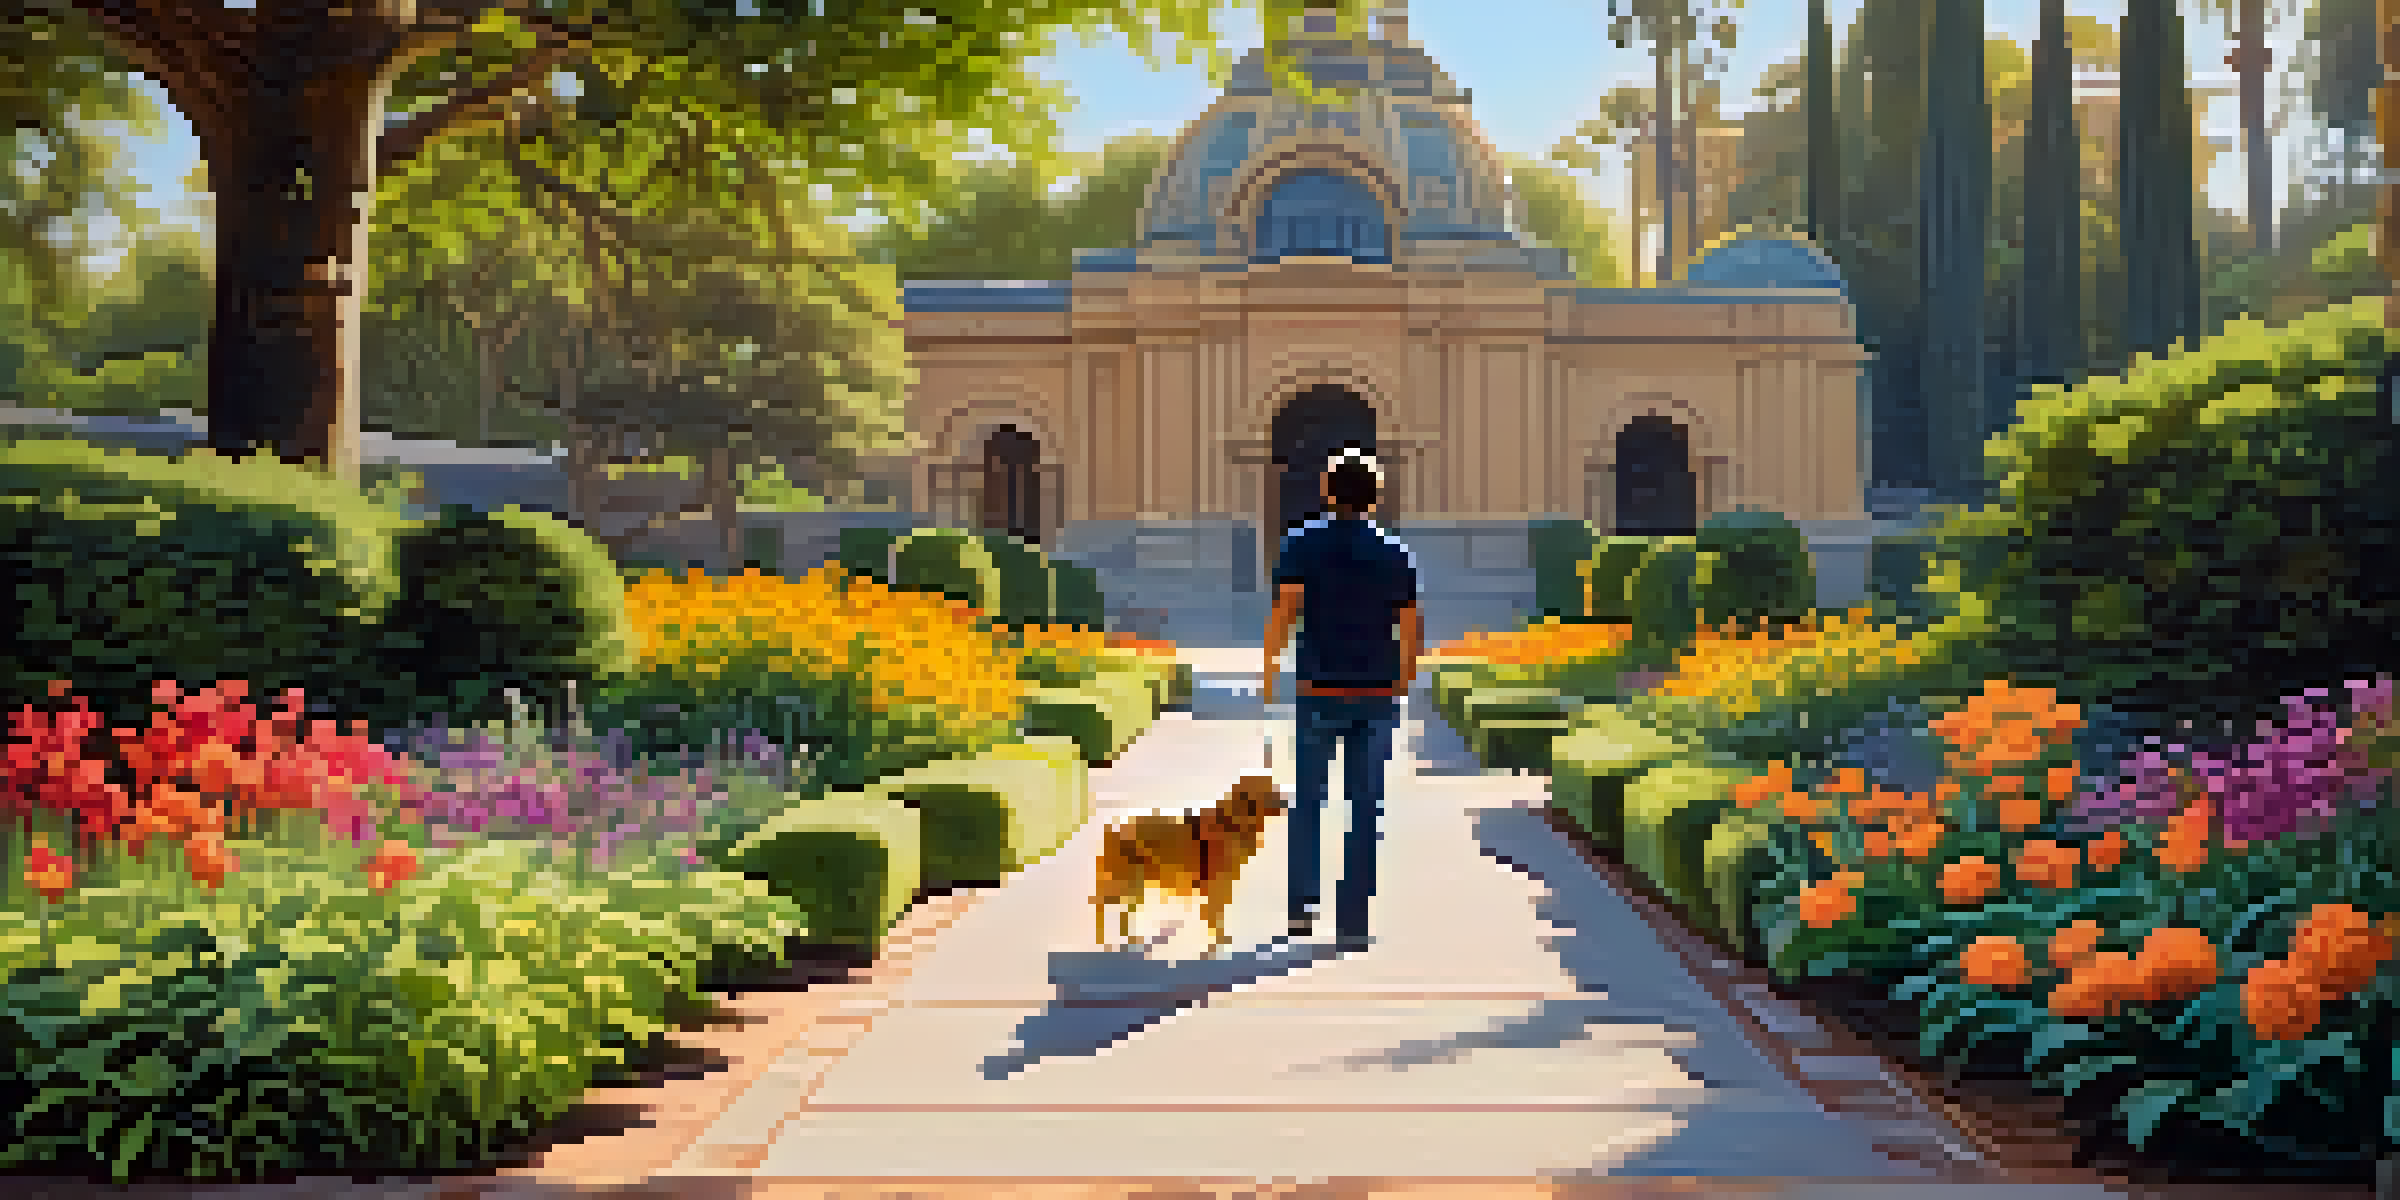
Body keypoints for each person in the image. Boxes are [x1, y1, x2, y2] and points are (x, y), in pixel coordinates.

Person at [1262, 443, 1421, 953]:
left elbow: (1284, 612)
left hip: (1316, 688)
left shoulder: (1299, 545)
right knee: (1364, 805)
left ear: (1329, 493)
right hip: (1375, 691)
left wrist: (1269, 668)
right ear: (1375, 497)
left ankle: (1302, 907)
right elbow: (1410, 629)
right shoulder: (1396, 554)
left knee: (1309, 799)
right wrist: (1402, 680)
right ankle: (1353, 920)